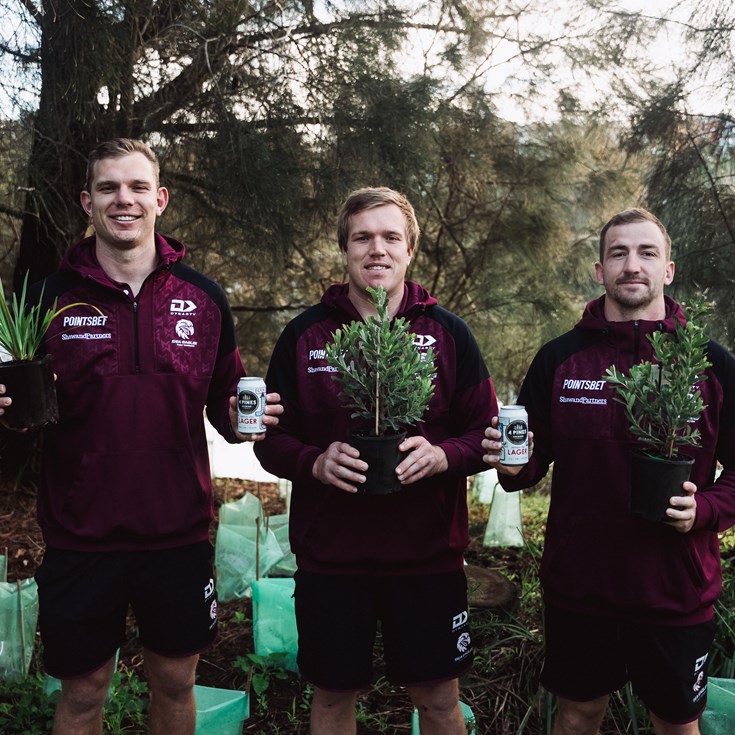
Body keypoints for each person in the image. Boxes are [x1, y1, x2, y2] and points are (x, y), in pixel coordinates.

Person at [0, 138, 282, 735]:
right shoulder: (45, 299)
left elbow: (227, 409)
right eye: (107, 188)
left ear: (160, 199)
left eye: (135, 188)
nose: (122, 200)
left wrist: (246, 414)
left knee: (176, 683)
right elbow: (18, 423)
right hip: (80, 535)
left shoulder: (203, 299)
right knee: (82, 693)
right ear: (87, 202)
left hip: (175, 533)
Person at [253, 187, 498, 735]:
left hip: (427, 558)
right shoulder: (305, 335)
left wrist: (442, 456)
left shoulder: (448, 333)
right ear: (345, 249)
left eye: (391, 237)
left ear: (410, 249)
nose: (377, 249)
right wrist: (315, 462)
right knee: (332, 697)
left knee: (437, 699)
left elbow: (486, 433)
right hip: (331, 559)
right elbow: (270, 440)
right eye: (363, 237)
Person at [483, 208, 735, 735]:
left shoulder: (712, 366)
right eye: (618, 253)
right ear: (600, 270)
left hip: (675, 590)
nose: (631, 265)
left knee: (676, 724)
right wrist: (509, 458)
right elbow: (522, 470)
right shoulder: (560, 359)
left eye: (647, 253)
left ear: (668, 270)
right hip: (582, 588)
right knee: (577, 716)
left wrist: (704, 509)